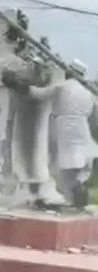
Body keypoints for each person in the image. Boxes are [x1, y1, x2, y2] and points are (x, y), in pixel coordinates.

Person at [22, 60, 98, 209]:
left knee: (62, 167)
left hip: (65, 129)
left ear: (70, 72)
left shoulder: (63, 87)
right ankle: (75, 194)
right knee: (74, 164)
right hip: (81, 129)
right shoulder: (88, 91)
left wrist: (22, 86)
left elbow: (37, 94)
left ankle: (76, 194)